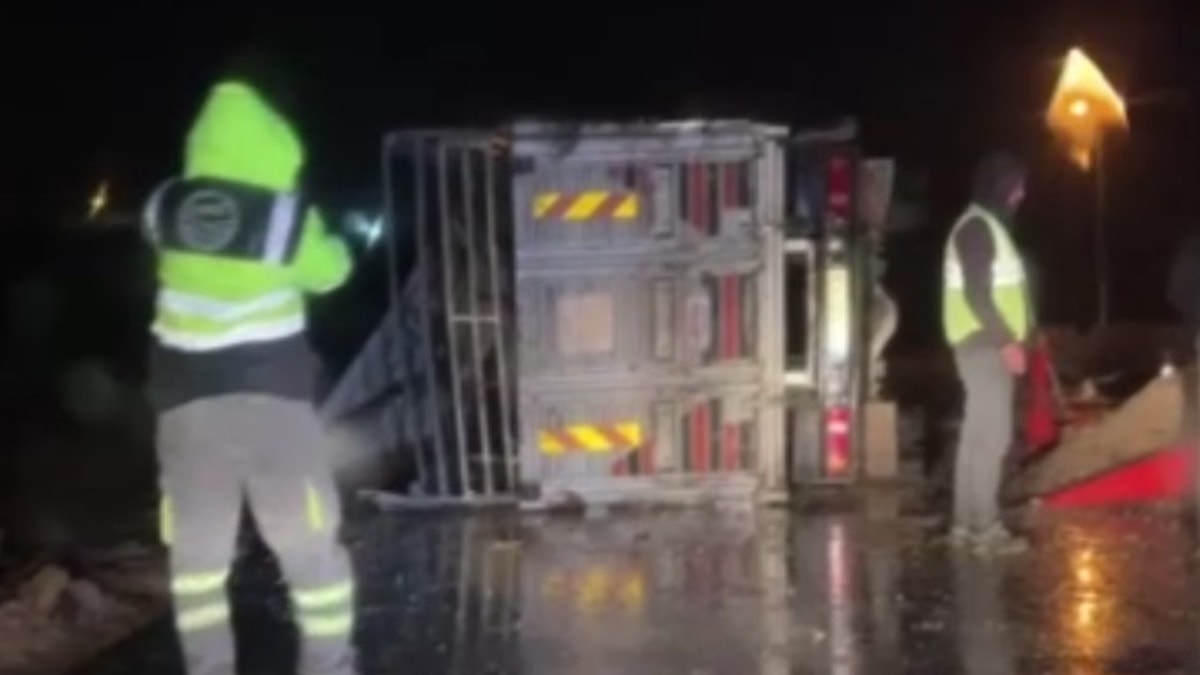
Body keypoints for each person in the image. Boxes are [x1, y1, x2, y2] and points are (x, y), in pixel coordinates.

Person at [143, 51, 358, 675]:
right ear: (275, 137)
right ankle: (329, 666)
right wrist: (335, 241)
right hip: (272, 406)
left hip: (186, 410)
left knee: (197, 565)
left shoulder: (163, 207)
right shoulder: (285, 219)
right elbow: (331, 273)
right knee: (309, 554)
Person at [941, 151, 1032, 550]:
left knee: (977, 436)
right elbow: (978, 295)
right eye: (1017, 186)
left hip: (978, 344)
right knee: (992, 437)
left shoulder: (981, 225)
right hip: (985, 346)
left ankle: (966, 525)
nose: (1021, 194)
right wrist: (1007, 342)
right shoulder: (978, 228)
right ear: (1000, 186)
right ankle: (984, 528)